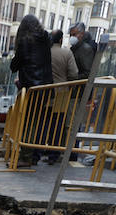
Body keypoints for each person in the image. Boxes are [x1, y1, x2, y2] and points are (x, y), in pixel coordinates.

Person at [10, 14, 51, 165]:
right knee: (37, 123)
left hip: (31, 88)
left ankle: (25, 157)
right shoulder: (45, 39)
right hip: (46, 87)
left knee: (27, 123)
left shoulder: (25, 41)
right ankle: (33, 155)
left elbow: (14, 65)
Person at [46, 30, 78, 164]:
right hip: (61, 93)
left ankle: (39, 150)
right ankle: (53, 154)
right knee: (57, 124)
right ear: (60, 40)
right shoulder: (66, 53)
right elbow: (74, 73)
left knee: (44, 122)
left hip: (44, 92)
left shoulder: (44, 53)